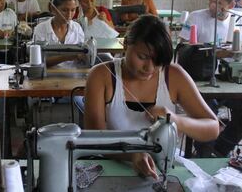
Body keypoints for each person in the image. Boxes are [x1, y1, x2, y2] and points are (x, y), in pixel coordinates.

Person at [84, 15, 219, 178]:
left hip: (163, 168)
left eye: (158, 61)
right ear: (125, 44)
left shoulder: (173, 76)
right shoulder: (101, 76)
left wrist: (176, 121)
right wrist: (132, 154)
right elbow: (94, 139)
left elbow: (213, 127)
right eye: (142, 57)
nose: (149, 68)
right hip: (113, 167)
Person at [179, 0, 242, 157]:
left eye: (219, 3)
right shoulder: (196, 17)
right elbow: (183, 50)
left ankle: (220, 149)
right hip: (199, 82)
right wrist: (211, 52)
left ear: (231, 4)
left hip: (228, 81)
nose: (212, 6)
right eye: (210, 1)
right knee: (208, 113)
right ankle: (204, 155)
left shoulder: (240, 21)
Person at [32, 0, 84, 67]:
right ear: (53, 9)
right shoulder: (41, 29)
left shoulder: (77, 28)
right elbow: (38, 60)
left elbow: (82, 55)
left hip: (73, 75)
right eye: (64, 10)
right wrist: (67, 57)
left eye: (73, 10)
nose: (69, 15)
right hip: (48, 75)